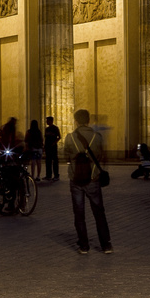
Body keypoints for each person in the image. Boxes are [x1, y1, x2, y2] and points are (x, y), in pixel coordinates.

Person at [64, 108, 110, 254]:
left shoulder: (70, 137)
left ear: (76, 121)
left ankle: (84, 246)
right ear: (89, 121)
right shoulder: (97, 137)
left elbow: (66, 156)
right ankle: (106, 245)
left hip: (76, 179)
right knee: (99, 212)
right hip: (93, 178)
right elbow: (100, 154)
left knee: (79, 213)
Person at [43, 116, 63, 181]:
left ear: (51, 121)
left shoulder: (55, 128)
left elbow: (59, 137)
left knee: (55, 161)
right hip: (47, 147)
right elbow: (45, 138)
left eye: (47, 120)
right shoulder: (47, 129)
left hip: (53, 147)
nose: (46, 122)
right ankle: (48, 175)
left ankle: (56, 175)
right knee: (48, 161)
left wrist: (54, 142)